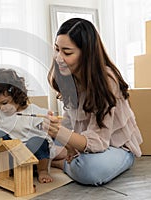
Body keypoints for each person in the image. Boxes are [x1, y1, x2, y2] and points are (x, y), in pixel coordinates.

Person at [44, 18, 143, 186]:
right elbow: (69, 123)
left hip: (115, 148)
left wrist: (60, 135)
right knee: (37, 144)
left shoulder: (107, 80)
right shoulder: (69, 77)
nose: (59, 58)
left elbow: (98, 142)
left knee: (91, 170)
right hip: (86, 143)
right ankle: (63, 161)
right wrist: (56, 136)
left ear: (87, 53)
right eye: (57, 49)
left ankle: (60, 164)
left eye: (67, 52)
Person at [0, 68, 59, 183]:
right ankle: (5, 168)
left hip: (33, 154)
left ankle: (42, 171)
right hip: (12, 156)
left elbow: (49, 129)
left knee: (40, 141)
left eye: (4, 103)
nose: (2, 108)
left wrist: (50, 121)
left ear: (17, 94)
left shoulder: (32, 111)